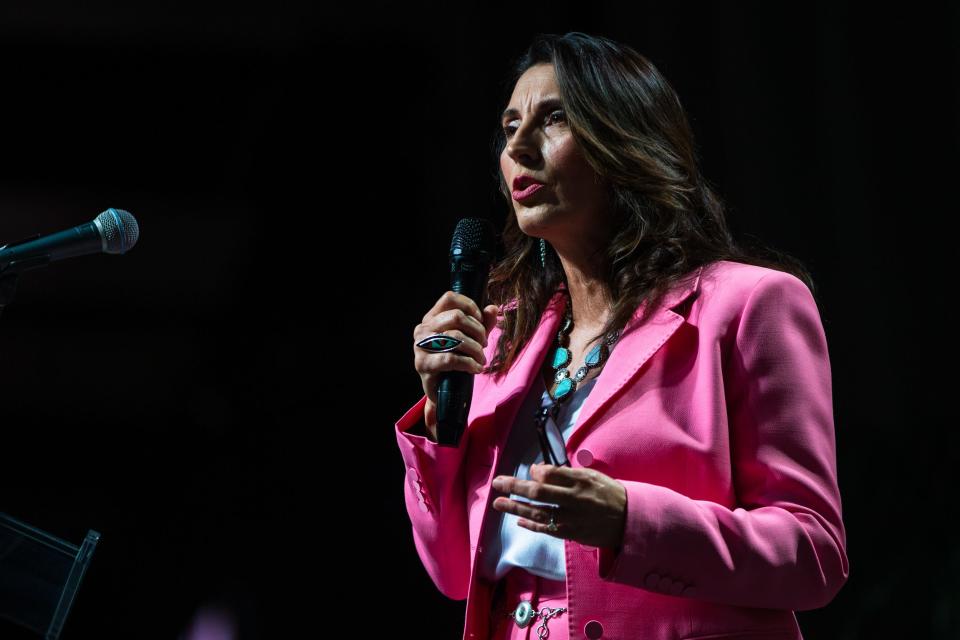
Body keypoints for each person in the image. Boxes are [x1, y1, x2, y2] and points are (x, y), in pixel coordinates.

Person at [395, 32, 849, 640]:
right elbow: (454, 572)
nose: (519, 147)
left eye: (553, 118)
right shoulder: (502, 340)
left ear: (623, 139)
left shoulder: (746, 305)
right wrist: (437, 422)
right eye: (508, 128)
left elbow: (813, 554)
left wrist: (630, 522)